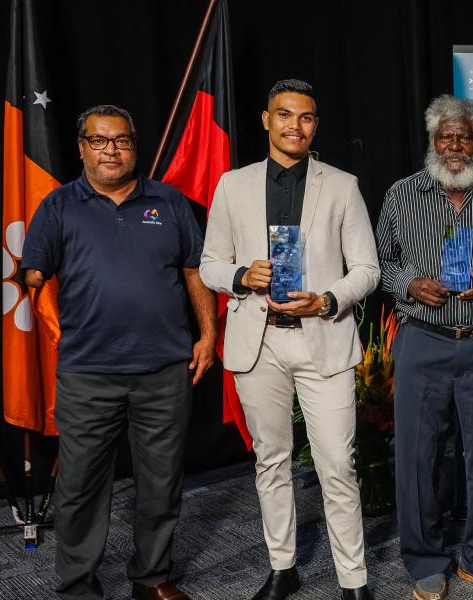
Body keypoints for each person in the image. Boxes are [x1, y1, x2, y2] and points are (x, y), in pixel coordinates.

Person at [21, 104, 216, 600]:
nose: (112, 149)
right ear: (82, 147)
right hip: (88, 374)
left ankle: (151, 578)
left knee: (161, 483)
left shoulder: (169, 202)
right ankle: (79, 583)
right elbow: (34, 274)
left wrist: (209, 336)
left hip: (165, 371)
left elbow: (194, 272)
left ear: (135, 145)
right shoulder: (59, 206)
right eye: (100, 140)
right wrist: (48, 313)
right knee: (82, 486)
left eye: (122, 140)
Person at [198, 79, 379, 600]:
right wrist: (240, 276)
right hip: (259, 344)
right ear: (266, 119)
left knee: (337, 465)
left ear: (315, 125)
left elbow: (366, 269)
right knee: (270, 460)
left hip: (322, 337)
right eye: (285, 114)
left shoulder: (342, 185)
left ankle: (354, 580)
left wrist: (325, 299)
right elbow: (210, 264)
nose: (294, 125)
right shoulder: (233, 184)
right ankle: (283, 567)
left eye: (305, 117)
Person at [375, 94, 473, 600]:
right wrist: (410, 284)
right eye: (446, 137)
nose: (455, 145)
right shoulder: (402, 195)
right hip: (423, 341)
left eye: (465, 136)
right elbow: (382, 262)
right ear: (432, 142)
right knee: (418, 457)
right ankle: (426, 560)